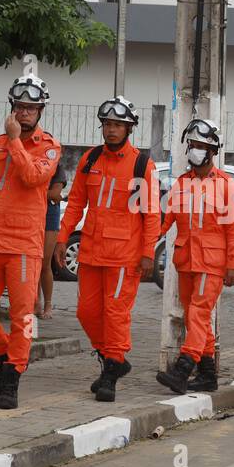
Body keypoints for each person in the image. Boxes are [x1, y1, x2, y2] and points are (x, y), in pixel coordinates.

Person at [57, 95, 160, 403]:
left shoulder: (142, 165)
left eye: (118, 125)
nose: (111, 130)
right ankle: (114, 359)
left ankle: (111, 372)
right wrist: (62, 238)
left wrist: (148, 253)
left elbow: (151, 214)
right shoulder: (90, 159)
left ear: (129, 129)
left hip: (124, 255)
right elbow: (75, 202)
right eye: (107, 125)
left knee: (115, 314)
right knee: (87, 312)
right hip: (90, 250)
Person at [0, 77, 62, 411]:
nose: (24, 113)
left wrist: (15, 141)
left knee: (23, 315)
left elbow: (33, 177)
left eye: (31, 108)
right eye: (19, 107)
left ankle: (12, 378)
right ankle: (8, 357)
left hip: (24, 244)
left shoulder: (49, 146)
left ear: (40, 112)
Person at [156, 119, 234, 394]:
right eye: (192, 145)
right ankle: (207, 373)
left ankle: (183, 368)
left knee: (198, 313)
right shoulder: (181, 184)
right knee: (196, 316)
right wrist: (145, 246)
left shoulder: (227, 186)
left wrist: (233, 264)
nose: (195, 150)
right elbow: (165, 220)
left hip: (213, 263)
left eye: (201, 146)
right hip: (186, 259)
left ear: (213, 150)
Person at [39, 167, 66, 319]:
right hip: (31, 211)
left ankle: (47, 304)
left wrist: (30, 193)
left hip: (50, 212)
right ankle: (35, 301)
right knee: (32, 261)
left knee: (44, 262)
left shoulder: (57, 168)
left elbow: (55, 193)